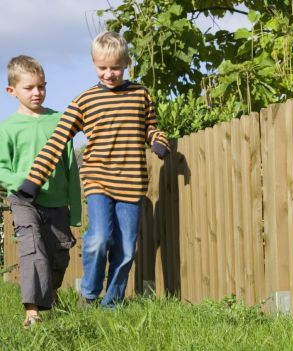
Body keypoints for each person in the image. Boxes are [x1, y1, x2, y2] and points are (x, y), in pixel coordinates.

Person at [17, 31, 170, 308]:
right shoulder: (84, 100)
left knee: (125, 249)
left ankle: (112, 304)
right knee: (98, 239)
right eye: (103, 68)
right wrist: (33, 181)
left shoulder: (140, 95)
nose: (109, 74)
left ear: (126, 64)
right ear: (93, 64)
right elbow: (57, 141)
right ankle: (89, 295)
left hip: (133, 184)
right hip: (99, 181)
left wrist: (158, 141)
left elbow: (152, 127)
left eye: (116, 68)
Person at [0, 55, 82, 328]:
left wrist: (75, 209)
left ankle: (52, 293)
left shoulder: (60, 121)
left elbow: (71, 165)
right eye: (29, 87)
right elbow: (1, 169)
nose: (37, 92)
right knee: (32, 250)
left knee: (59, 255)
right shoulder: (8, 129)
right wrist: (21, 181)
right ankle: (32, 312)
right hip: (24, 202)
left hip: (57, 201)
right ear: (11, 91)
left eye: (42, 86)